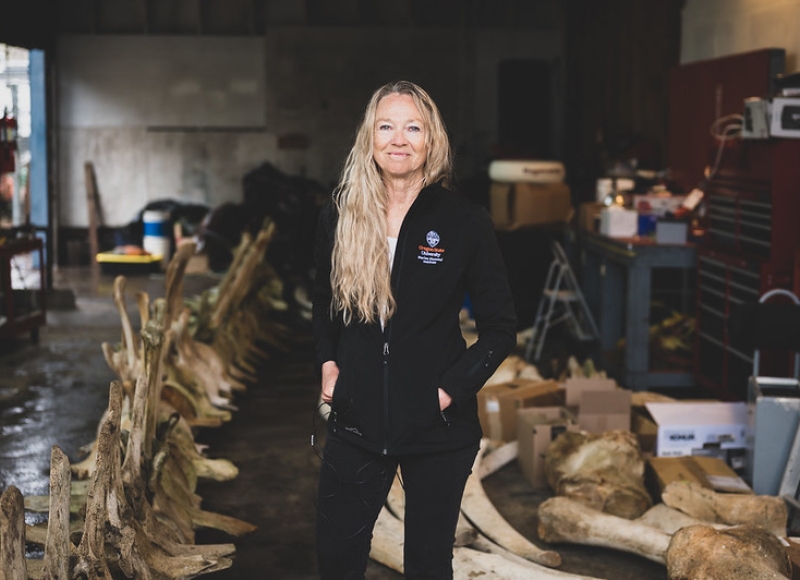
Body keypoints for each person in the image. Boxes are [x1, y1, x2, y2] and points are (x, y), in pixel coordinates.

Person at [312, 80, 517, 580]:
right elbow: (324, 306)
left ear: (432, 141)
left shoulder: (463, 221)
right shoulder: (340, 215)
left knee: (427, 566)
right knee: (337, 562)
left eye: (412, 127)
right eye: (386, 126)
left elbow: (500, 327)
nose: (398, 138)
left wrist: (447, 391)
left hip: (436, 429)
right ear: (369, 137)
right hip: (356, 424)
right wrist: (328, 362)